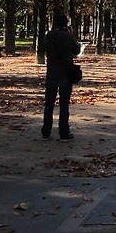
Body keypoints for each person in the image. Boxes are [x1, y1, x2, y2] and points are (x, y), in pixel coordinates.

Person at [41, 12, 81, 141]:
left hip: (51, 74)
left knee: (49, 105)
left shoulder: (48, 36)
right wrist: (71, 35)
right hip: (65, 74)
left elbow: (44, 48)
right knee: (64, 105)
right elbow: (77, 50)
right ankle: (64, 132)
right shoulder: (67, 37)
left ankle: (46, 132)